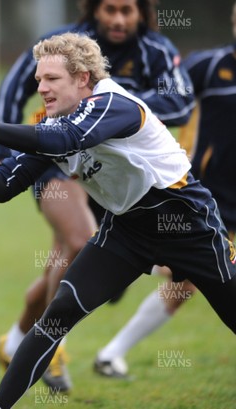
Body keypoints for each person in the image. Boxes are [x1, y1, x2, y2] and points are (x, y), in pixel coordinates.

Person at [0, 32, 236, 409]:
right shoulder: (55, 123)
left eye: (51, 79)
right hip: (127, 231)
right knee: (59, 312)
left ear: (83, 79)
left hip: (187, 224)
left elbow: (67, 140)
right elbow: (3, 185)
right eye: (38, 80)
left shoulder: (114, 104)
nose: (41, 87)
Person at [0, 0, 194, 392]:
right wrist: (3, 157)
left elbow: (182, 101)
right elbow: (14, 86)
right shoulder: (62, 45)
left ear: (142, 14)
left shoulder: (156, 52)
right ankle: (54, 348)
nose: (118, 19)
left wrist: (109, 112)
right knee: (80, 240)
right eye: (110, 9)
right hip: (58, 158)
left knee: (63, 263)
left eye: (127, 10)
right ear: (92, 11)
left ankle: (13, 342)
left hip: (113, 171)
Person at [93, 1, 236, 378]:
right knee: (185, 280)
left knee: (186, 280)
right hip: (202, 195)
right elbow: (165, 97)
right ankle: (112, 348)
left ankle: (111, 348)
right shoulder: (209, 67)